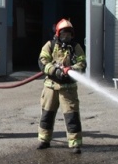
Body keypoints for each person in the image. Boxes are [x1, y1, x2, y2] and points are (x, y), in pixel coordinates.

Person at [37, 18, 87, 154]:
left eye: (69, 34)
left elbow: (82, 63)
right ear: (58, 33)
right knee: (47, 114)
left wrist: (71, 70)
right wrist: (55, 71)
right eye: (64, 33)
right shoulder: (50, 45)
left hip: (68, 89)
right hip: (50, 87)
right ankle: (44, 140)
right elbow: (42, 61)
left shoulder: (76, 47)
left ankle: (75, 143)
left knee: (72, 117)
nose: (66, 36)